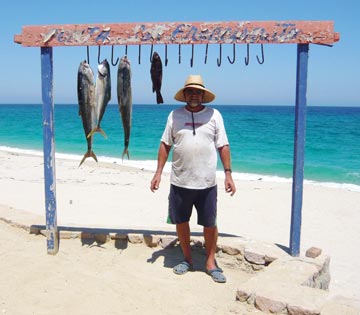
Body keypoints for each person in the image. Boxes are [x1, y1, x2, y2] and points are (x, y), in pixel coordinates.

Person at [150, 74, 236, 283]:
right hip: (180, 181)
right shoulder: (174, 115)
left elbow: (223, 146)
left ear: (203, 94)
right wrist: (158, 172)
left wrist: (228, 174)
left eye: (198, 91)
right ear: (185, 94)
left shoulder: (215, 115)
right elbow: (165, 145)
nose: (194, 94)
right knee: (181, 221)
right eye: (191, 91)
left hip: (207, 182)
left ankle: (210, 262)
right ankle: (187, 259)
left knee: (210, 223)